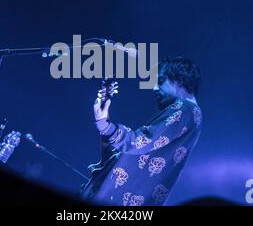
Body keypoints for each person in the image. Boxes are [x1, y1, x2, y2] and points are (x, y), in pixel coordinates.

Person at [81, 57, 202, 206]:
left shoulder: (186, 109)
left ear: (180, 80)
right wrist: (104, 123)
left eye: (161, 80)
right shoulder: (190, 114)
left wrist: (105, 126)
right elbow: (128, 151)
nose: (154, 88)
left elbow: (138, 143)